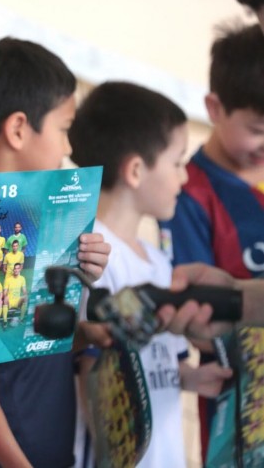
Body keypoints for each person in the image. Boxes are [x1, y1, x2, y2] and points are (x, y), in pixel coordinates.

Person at [0, 37, 110, 467]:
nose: (69, 148)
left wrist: (84, 332)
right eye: (64, 129)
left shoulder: (41, 224)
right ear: (19, 129)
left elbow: (26, 347)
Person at [70, 81, 233, 467]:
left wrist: (190, 377)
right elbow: (93, 378)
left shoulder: (159, 263)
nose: (184, 178)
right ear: (136, 170)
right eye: (177, 163)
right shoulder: (94, 256)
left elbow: (156, 362)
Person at [157, 23, 264, 457]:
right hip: (240, 412)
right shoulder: (189, 194)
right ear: (214, 108)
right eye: (258, 128)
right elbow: (197, 327)